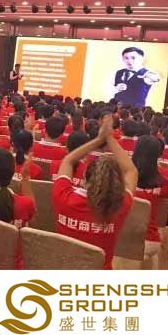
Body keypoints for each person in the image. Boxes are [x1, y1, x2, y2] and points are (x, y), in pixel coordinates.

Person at [52, 115, 136, 269]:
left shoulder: (63, 197)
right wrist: (109, 138)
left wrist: (99, 139)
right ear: (117, 183)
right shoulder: (120, 206)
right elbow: (131, 170)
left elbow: (68, 160)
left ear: (84, 177)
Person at [132, 136, 168, 268]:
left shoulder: (121, 177)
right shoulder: (165, 182)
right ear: (159, 154)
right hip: (150, 240)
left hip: (120, 239)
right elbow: (166, 213)